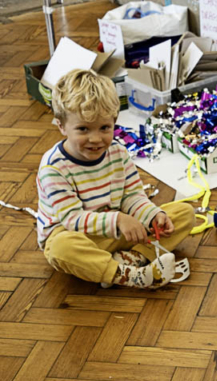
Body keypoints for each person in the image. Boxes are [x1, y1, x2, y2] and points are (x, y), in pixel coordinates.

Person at [37, 69, 195, 289]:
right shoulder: (53, 168)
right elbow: (72, 219)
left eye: (104, 128)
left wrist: (152, 216)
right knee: (61, 248)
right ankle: (130, 275)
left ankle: (128, 260)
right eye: (83, 129)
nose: (95, 139)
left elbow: (132, 196)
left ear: (114, 122)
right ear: (61, 126)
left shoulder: (118, 152)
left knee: (184, 214)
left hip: (117, 230)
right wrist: (119, 220)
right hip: (76, 235)